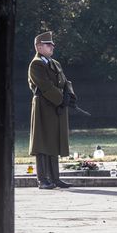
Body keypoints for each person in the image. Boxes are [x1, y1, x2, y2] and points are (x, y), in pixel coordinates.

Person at [28, 31, 78, 189]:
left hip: (56, 108)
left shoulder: (55, 63)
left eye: (52, 44)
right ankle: (43, 180)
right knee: (42, 144)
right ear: (38, 46)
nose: (52, 47)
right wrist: (61, 98)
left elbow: (65, 81)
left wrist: (70, 96)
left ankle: (55, 178)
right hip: (43, 107)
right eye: (48, 44)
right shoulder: (36, 64)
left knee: (54, 143)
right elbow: (44, 85)